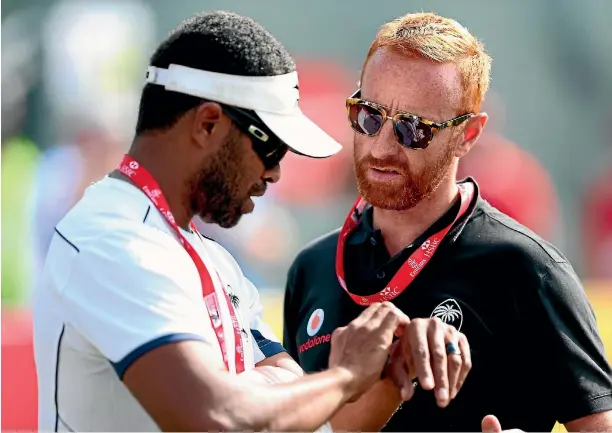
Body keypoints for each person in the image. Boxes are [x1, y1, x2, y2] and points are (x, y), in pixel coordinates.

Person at [32, 11, 469, 432]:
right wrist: (343, 377)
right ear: (207, 125)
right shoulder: (112, 239)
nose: (275, 172)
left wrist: (394, 373)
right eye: (271, 148)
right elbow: (215, 419)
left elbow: (305, 423)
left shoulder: (213, 260)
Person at [283, 12, 612, 432]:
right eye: (368, 115)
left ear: (469, 134)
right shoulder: (313, 267)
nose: (381, 145)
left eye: (413, 129)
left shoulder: (527, 269)